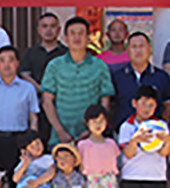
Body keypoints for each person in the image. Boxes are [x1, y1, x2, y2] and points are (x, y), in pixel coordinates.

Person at [41, 16, 115, 147]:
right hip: (60, 140)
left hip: (92, 140)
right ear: (65, 38)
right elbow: (47, 101)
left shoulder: (100, 66)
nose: (77, 37)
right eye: (72, 33)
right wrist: (60, 132)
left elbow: (105, 102)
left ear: (88, 37)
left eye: (81, 33)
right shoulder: (54, 66)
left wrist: (91, 131)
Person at [118, 85, 170, 188]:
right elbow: (128, 153)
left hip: (156, 179)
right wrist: (135, 140)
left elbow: (163, 153)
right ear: (134, 103)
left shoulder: (161, 126)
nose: (146, 109)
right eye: (143, 104)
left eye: (151, 105)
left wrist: (168, 141)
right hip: (132, 179)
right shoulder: (127, 126)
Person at [0, 45, 39, 174]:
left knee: (18, 178)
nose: (7, 64)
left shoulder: (28, 88)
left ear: (17, 63)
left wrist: (32, 141)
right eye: (2, 60)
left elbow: (33, 117)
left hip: (19, 139)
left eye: (11, 60)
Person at [20, 12, 68, 144]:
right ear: (38, 29)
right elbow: (25, 74)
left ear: (59, 29)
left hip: (60, 105)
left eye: (53, 26)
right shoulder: (30, 53)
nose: (49, 30)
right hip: (36, 105)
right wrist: (42, 89)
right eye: (45, 26)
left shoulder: (66, 53)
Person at [112, 32, 170, 128]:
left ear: (149, 49)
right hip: (124, 133)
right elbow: (111, 106)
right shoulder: (117, 77)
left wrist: (158, 124)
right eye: (134, 47)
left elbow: (168, 105)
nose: (138, 50)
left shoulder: (161, 77)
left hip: (153, 132)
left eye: (142, 46)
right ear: (128, 50)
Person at [77, 104, 121, 188]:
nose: (98, 124)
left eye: (101, 120)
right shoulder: (83, 145)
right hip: (91, 185)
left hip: (109, 185)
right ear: (87, 123)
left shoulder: (111, 143)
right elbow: (80, 168)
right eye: (94, 121)